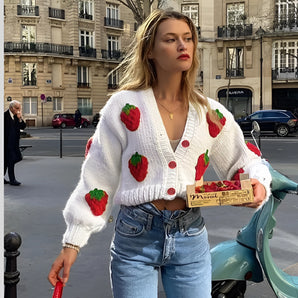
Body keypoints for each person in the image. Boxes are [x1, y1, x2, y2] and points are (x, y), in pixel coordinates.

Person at [48, 10, 272, 297]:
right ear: (150, 51)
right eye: (171, 39)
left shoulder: (210, 112)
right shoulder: (124, 106)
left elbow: (245, 160)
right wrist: (73, 242)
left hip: (190, 236)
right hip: (135, 237)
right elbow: (98, 177)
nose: (183, 46)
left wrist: (257, 184)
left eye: (188, 38)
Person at [4, 100, 26, 186]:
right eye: (17, 108)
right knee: (11, 160)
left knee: (18, 158)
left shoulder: (17, 116)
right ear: (11, 108)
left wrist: (20, 118)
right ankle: (12, 180)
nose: (19, 110)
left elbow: (23, 126)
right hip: (6, 143)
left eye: (19, 108)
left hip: (15, 143)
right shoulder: (4, 116)